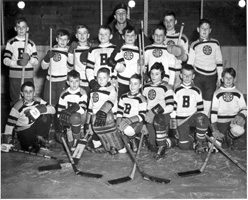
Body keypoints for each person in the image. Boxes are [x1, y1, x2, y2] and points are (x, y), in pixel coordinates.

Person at [1, 81, 55, 153]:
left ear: (34, 93)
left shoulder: (38, 100)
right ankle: (30, 141)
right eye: (26, 91)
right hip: (24, 130)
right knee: (32, 149)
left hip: (35, 126)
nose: (28, 94)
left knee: (46, 116)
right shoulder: (17, 106)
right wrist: (6, 142)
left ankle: (40, 138)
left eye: (30, 91)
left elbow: (53, 110)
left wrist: (41, 109)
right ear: (22, 93)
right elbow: (9, 125)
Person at [187, 18, 223, 117]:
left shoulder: (215, 43)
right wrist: (189, 77)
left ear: (210, 30)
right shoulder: (194, 44)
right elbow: (190, 63)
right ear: (198, 29)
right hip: (198, 76)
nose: (204, 30)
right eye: (202, 28)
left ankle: (204, 125)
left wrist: (220, 77)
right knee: (198, 101)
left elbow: (219, 61)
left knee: (208, 102)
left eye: (207, 28)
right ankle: (196, 125)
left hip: (211, 77)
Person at [143, 62, 177, 160]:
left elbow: (171, 107)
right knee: (153, 146)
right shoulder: (146, 86)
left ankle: (162, 147)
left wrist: (155, 111)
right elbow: (143, 105)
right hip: (149, 116)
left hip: (162, 117)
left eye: (157, 74)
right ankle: (171, 141)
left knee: (159, 143)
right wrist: (144, 122)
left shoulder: (167, 87)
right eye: (152, 74)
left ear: (162, 74)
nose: (154, 76)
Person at [85, 67, 123, 155]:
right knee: (96, 139)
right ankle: (102, 146)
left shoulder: (112, 89)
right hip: (95, 121)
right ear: (96, 78)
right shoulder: (92, 91)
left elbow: (111, 101)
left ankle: (114, 146)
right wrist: (87, 123)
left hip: (107, 117)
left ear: (109, 78)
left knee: (113, 138)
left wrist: (103, 112)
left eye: (104, 78)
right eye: (99, 78)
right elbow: (90, 108)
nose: (101, 80)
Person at [174, 64, 210, 153]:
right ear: (181, 75)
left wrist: (202, 125)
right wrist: (173, 124)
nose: (187, 77)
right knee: (183, 146)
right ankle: (191, 139)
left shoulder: (197, 90)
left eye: (189, 75)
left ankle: (199, 142)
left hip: (192, 117)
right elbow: (173, 108)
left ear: (193, 76)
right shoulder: (176, 90)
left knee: (202, 117)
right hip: (181, 120)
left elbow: (201, 109)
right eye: (185, 75)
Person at [3, 17, 39, 106]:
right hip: (15, 75)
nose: (21, 29)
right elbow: (5, 60)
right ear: (15, 29)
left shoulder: (31, 43)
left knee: (28, 97)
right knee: (15, 98)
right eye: (19, 27)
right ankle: (14, 117)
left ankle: (26, 117)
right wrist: (18, 63)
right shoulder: (11, 42)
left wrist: (29, 58)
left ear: (27, 29)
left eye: (23, 27)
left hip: (28, 75)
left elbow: (36, 61)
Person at [210, 67, 247, 150]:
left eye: (231, 78)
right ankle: (221, 138)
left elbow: (245, 109)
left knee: (239, 129)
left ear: (234, 79)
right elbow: (213, 112)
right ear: (222, 79)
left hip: (232, 122)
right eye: (226, 78)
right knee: (213, 147)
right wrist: (215, 128)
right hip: (220, 123)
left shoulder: (238, 93)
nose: (228, 80)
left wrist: (240, 116)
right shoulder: (217, 93)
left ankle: (229, 136)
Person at [86, 25, 125, 92]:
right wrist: (91, 81)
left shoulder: (116, 49)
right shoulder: (93, 50)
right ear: (98, 35)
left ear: (111, 36)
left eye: (105, 34)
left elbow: (123, 68)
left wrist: (115, 64)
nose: (102, 36)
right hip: (97, 81)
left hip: (111, 82)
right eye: (101, 34)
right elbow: (89, 68)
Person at [57, 70, 88, 150]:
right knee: (69, 145)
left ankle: (76, 139)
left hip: (80, 117)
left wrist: (74, 108)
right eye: (71, 81)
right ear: (67, 82)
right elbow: (60, 109)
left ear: (80, 81)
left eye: (76, 81)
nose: (74, 84)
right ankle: (72, 137)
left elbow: (82, 110)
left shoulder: (82, 93)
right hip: (67, 118)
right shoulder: (64, 94)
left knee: (75, 117)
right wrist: (60, 120)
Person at [117, 73, 147, 152]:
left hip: (135, 122)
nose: (132, 86)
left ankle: (133, 138)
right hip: (124, 121)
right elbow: (119, 112)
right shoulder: (123, 96)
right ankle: (127, 142)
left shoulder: (141, 99)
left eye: (135, 84)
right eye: (130, 83)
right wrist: (118, 123)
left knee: (128, 130)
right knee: (121, 150)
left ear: (140, 85)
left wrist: (129, 120)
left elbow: (142, 115)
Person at [41, 29, 71, 107]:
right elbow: (43, 67)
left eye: (65, 39)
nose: (63, 41)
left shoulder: (68, 53)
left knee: (62, 102)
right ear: (57, 39)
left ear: (68, 41)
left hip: (63, 81)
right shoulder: (51, 51)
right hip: (50, 80)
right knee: (49, 102)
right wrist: (47, 57)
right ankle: (49, 118)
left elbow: (70, 68)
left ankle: (59, 118)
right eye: (61, 39)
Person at [163, 10, 189, 88]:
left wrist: (180, 54)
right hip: (165, 72)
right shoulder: (161, 37)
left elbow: (186, 58)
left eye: (171, 20)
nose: (168, 23)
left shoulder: (182, 37)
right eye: (166, 21)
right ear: (164, 22)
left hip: (177, 72)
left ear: (175, 22)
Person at [118, 25, 141, 99]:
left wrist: (142, 65)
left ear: (136, 36)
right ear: (123, 37)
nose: (130, 37)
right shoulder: (119, 49)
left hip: (134, 82)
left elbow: (141, 69)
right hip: (121, 81)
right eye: (127, 35)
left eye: (132, 35)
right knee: (121, 101)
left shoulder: (140, 51)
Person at [67, 25, 91, 94]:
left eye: (84, 33)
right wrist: (71, 51)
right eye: (79, 33)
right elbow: (69, 66)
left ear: (88, 35)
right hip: (78, 82)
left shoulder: (92, 47)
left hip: (90, 81)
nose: (82, 35)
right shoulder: (74, 47)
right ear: (76, 36)